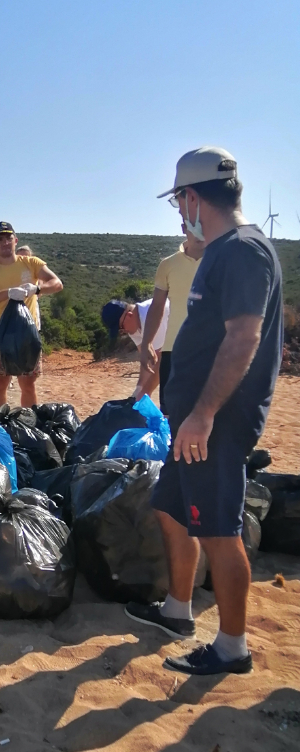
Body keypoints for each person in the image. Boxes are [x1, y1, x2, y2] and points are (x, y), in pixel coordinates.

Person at [125, 147, 283, 676]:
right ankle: (177, 610)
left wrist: (205, 413)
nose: (179, 212)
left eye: (179, 202)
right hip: (192, 418)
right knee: (171, 508)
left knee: (218, 530)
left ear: (192, 198)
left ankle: (233, 648)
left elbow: (244, 337)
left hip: (214, 422)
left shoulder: (242, 250)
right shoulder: (221, 250)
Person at [0, 222, 62, 412]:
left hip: (27, 336)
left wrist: (37, 289)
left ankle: (29, 422)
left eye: (8, 238)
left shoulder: (32, 263)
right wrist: (8, 292)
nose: (5, 242)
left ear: (15, 240)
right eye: (0, 239)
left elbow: (57, 283)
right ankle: (1, 423)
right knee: (0, 385)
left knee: (28, 384)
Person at [134, 226, 205, 404]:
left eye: (203, 224)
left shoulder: (222, 261)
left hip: (211, 351)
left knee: (210, 415)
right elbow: (157, 305)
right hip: (173, 351)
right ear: (184, 227)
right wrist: (147, 343)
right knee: (170, 414)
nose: (200, 230)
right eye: (194, 225)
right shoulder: (167, 265)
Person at [101, 296, 170, 399]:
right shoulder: (132, 326)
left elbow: (161, 361)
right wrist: (139, 388)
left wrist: (146, 392)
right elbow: (147, 360)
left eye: (121, 328)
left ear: (129, 315)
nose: (123, 332)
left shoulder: (149, 317)